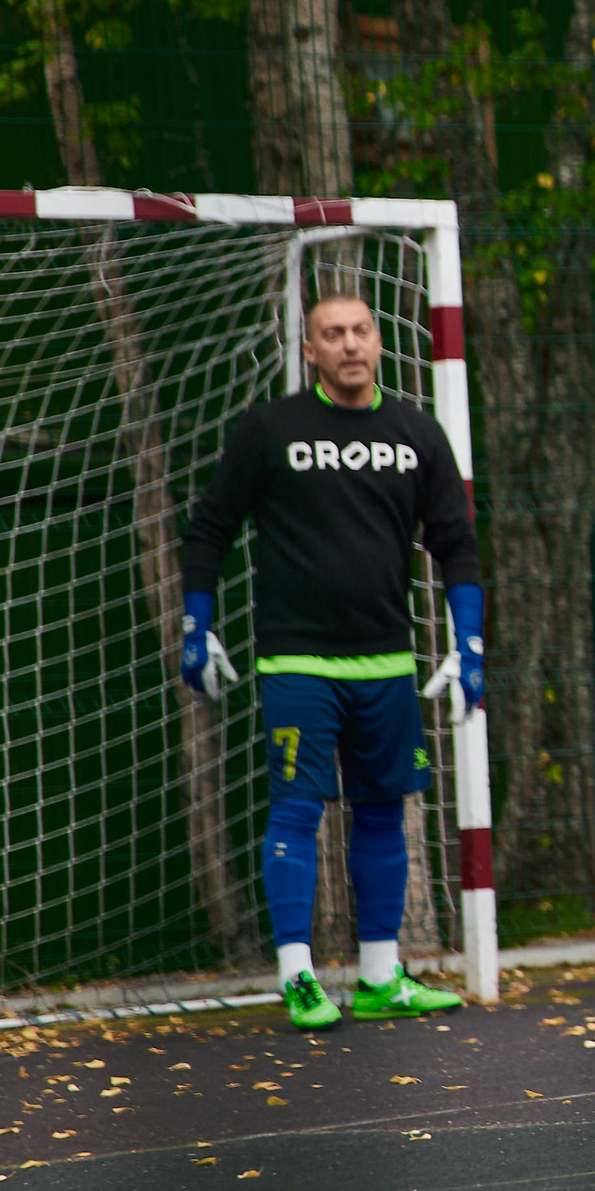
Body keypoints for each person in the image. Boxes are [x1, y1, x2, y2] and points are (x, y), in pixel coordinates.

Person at [180, 290, 484, 1030]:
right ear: (309, 350)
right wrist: (197, 624)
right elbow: (211, 527)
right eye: (332, 334)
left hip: (386, 663)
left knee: (384, 811)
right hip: (297, 662)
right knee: (297, 808)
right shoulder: (270, 428)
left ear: (379, 342)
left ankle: (380, 977)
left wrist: (469, 641)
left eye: (360, 331)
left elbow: (456, 542)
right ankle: (298, 978)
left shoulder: (417, 430)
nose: (349, 344)